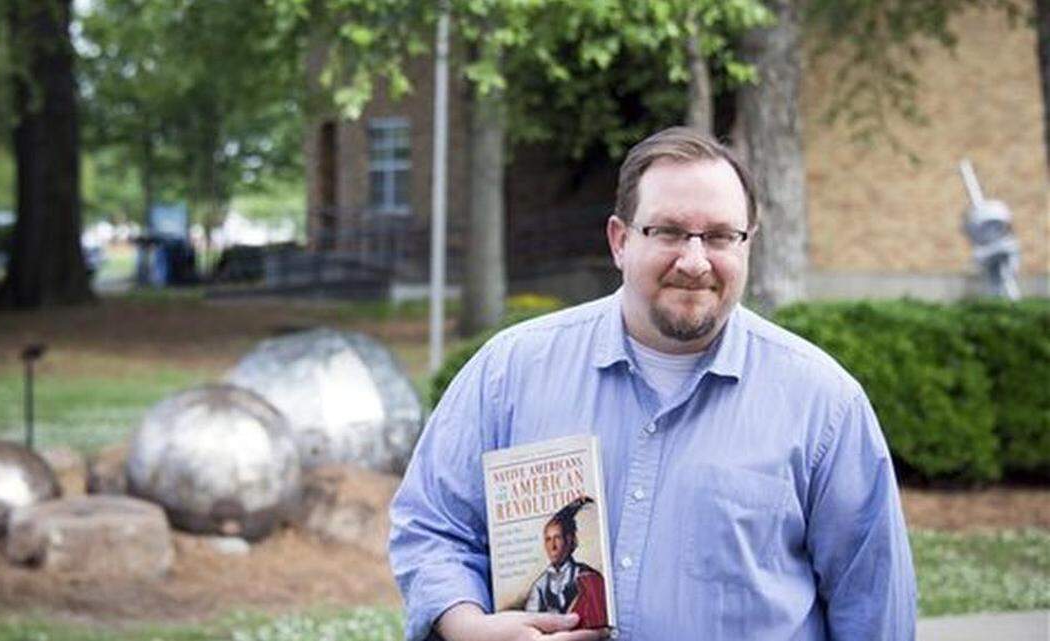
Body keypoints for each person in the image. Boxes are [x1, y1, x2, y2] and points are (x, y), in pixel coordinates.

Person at [389, 127, 916, 641]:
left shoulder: (823, 404)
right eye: (666, 231)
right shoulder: (510, 372)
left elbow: (872, 605)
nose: (693, 260)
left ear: (748, 244)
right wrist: (466, 626)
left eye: (719, 236)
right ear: (620, 240)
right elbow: (432, 526)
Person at [524, 498, 608, 629]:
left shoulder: (589, 577)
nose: (553, 546)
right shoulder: (540, 586)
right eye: (548, 539)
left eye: (557, 538)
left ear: (569, 541)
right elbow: (530, 623)